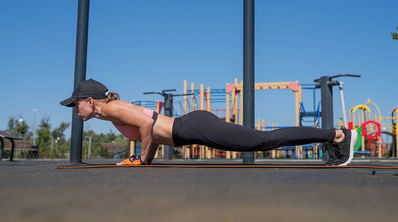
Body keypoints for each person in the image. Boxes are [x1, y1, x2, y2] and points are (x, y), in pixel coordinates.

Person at [60, 79, 357, 166]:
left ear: (90, 101)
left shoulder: (112, 109)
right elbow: (146, 128)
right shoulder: (107, 112)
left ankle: (337, 136)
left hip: (193, 128)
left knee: (263, 141)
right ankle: (333, 137)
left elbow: (148, 124)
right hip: (192, 128)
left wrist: (141, 159)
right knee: (262, 141)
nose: (75, 110)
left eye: (76, 104)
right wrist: (140, 159)